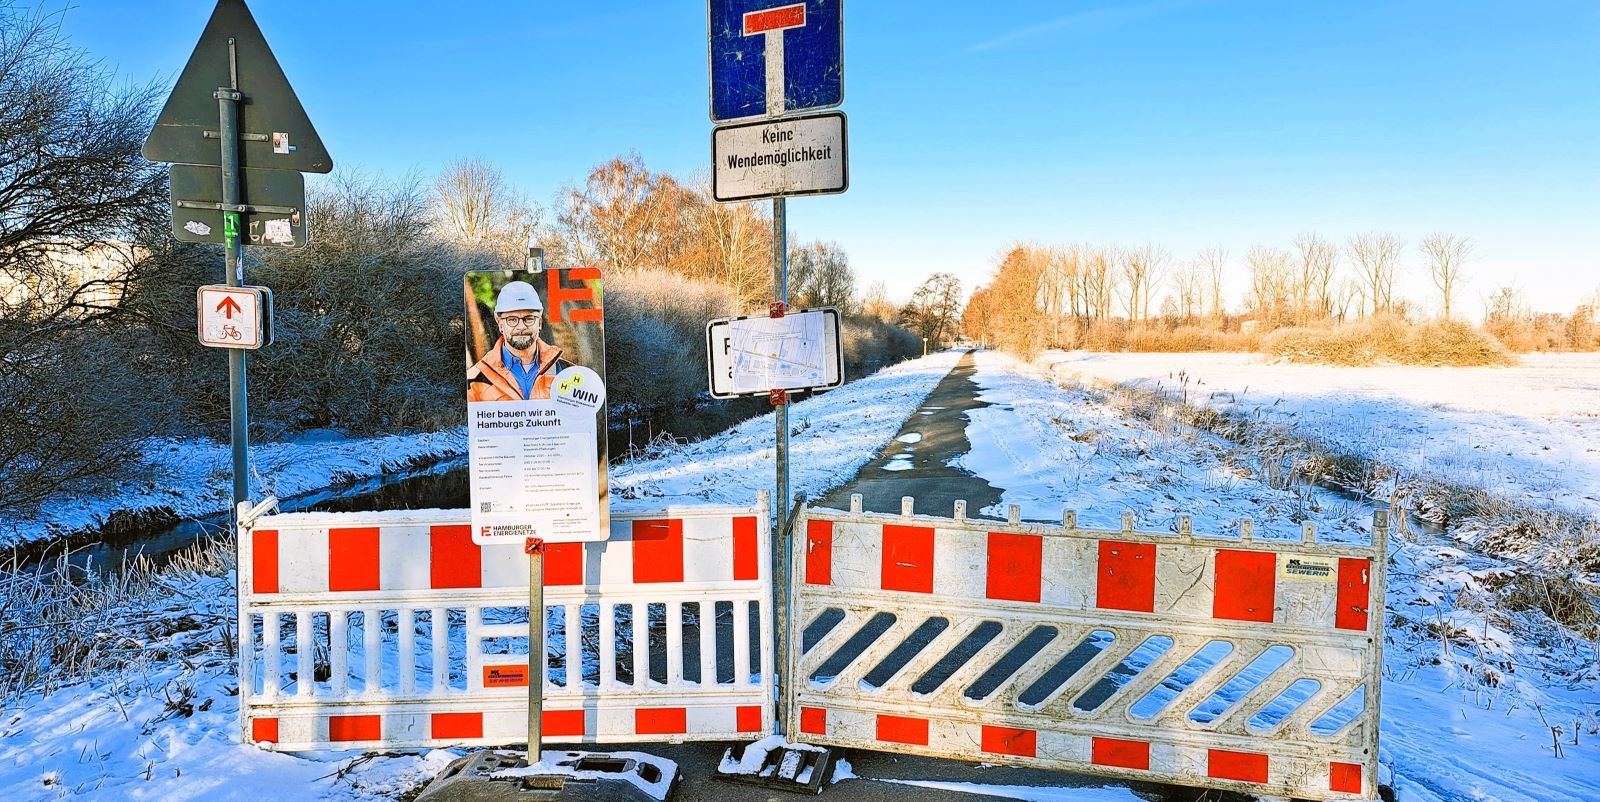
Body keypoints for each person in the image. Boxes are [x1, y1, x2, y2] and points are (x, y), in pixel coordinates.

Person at [467, 280, 570, 402]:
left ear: (540, 322)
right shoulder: (475, 379)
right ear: (500, 323)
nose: (521, 327)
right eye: (512, 319)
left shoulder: (565, 372)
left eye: (529, 319)